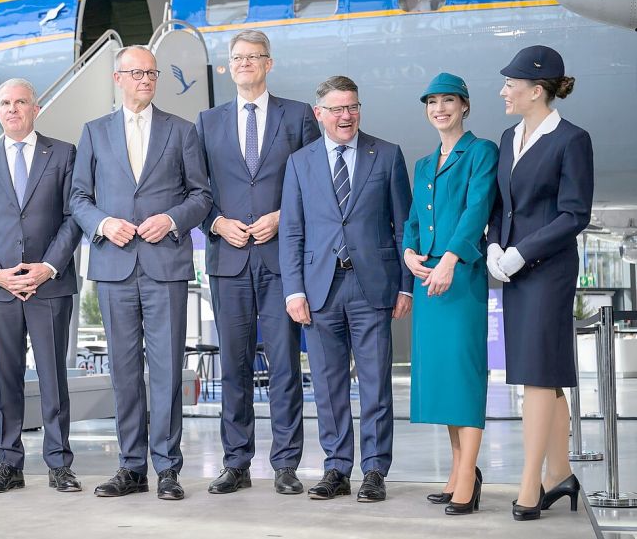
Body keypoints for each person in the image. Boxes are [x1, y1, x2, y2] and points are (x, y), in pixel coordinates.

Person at [71, 45, 211, 501]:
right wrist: (102, 224)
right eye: (136, 73)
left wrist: (171, 219)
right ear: (118, 78)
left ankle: (168, 469)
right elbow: (78, 198)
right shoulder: (93, 132)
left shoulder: (182, 131)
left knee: (168, 370)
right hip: (113, 267)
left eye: (151, 73)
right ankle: (130, 467)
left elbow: (201, 196)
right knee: (125, 372)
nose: (146, 80)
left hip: (164, 266)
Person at [195, 29, 320, 495]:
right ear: (227, 66)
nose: (245, 63)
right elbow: (195, 190)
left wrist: (283, 216)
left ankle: (286, 463)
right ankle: (236, 461)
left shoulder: (299, 115)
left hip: (281, 258)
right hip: (228, 260)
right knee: (234, 366)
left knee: (286, 363)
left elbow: (314, 182)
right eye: (237, 57)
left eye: (254, 56)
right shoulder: (207, 122)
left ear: (269, 64)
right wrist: (215, 222)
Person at [279, 76, 412, 503]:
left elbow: (402, 227)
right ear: (319, 114)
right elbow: (293, 233)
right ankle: (336, 468)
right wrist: (293, 290)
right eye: (336, 109)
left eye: (352, 107)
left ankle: (374, 470)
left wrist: (406, 287)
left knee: (375, 384)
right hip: (319, 291)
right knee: (328, 385)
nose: (346, 116)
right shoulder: (300, 162)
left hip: (372, 286)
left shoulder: (387, 155)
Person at [0, 78, 83, 494]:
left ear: (36, 107)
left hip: (50, 284)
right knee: (6, 378)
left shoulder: (64, 154)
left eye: (20, 102)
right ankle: (8, 464)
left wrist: (48, 266)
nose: (12, 109)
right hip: (0, 288)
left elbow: (73, 216)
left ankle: (59, 464)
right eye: (5, 104)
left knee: (52, 377)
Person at [486, 45, 593, 521]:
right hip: (513, 269)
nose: (503, 91)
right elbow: (500, 205)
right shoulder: (509, 137)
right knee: (546, 379)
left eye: (510, 84)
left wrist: (521, 252)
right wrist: (493, 244)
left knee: (535, 376)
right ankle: (560, 474)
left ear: (536, 90)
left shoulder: (571, 139)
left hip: (547, 271)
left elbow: (575, 213)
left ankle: (530, 487)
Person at [402, 73, 498, 515]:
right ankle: (461, 471)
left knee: (464, 376)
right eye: (432, 102)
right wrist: (408, 251)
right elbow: (413, 220)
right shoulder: (423, 164)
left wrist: (450, 260)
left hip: (459, 275)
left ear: (464, 106)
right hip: (427, 278)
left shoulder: (481, 151)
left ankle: (467, 475)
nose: (439, 108)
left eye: (448, 101)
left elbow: (477, 208)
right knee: (442, 379)